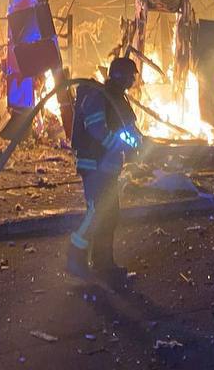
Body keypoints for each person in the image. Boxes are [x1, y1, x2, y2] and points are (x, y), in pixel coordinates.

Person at [67, 56, 143, 284]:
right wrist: (119, 146)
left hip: (107, 167)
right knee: (97, 213)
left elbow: (128, 129)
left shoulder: (117, 99)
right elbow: (96, 128)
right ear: (122, 77)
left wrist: (140, 144)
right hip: (94, 165)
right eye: (131, 77)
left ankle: (104, 264)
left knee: (109, 216)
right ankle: (75, 258)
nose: (132, 81)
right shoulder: (99, 96)